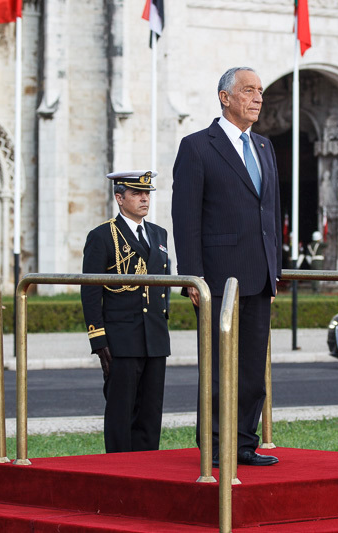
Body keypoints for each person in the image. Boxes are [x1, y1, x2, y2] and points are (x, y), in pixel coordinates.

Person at [172, 66, 281, 467]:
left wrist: (275, 270)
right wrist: (193, 276)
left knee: (252, 370)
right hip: (218, 279)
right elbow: (185, 217)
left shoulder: (265, 147)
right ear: (225, 97)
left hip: (260, 277)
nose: (258, 98)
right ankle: (217, 446)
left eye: (260, 91)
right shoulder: (197, 146)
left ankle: (244, 443)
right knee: (220, 368)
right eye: (249, 90)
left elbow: (271, 213)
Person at [81, 170, 171, 453]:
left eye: (147, 194)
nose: (144, 199)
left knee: (150, 411)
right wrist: (98, 338)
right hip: (121, 337)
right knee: (121, 411)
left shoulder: (159, 234)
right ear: (119, 198)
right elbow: (91, 291)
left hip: (154, 336)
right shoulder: (102, 236)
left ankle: (147, 465)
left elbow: (163, 284)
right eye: (136, 194)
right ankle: (119, 466)